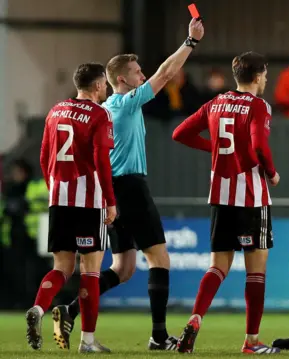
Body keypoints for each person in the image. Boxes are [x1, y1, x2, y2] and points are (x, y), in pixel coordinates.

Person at [51, 18, 204, 351]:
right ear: (121, 79)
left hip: (109, 194)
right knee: (160, 259)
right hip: (130, 187)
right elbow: (166, 74)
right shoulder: (125, 102)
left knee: (123, 268)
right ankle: (159, 337)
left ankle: (70, 310)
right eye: (137, 72)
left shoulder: (103, 108)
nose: (143, 76)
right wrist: (190, 42)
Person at [172, 51, 280, 355]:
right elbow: (259, 145)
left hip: (220, 196)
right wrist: (271, 174)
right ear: (258, 76)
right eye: (266, 75)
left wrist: (215, 149)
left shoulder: (215, 103)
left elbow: (180, 133)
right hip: (251, 197)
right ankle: (251, 342)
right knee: (255, 271)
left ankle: (195, 318)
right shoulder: (259, 106)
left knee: (217, 266)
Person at [26, 63, 117, 353]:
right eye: (104, 83)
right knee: (90, 270)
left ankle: (39, 309)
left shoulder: (55, 111)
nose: (106, 88)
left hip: (59, 198)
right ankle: (87, 342)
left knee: (61, 267)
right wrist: (110, 201)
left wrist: (54, 188)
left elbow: (43, 156)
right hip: (88, 201)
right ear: (97, 84)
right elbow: (102, 161)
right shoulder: (100, 114)